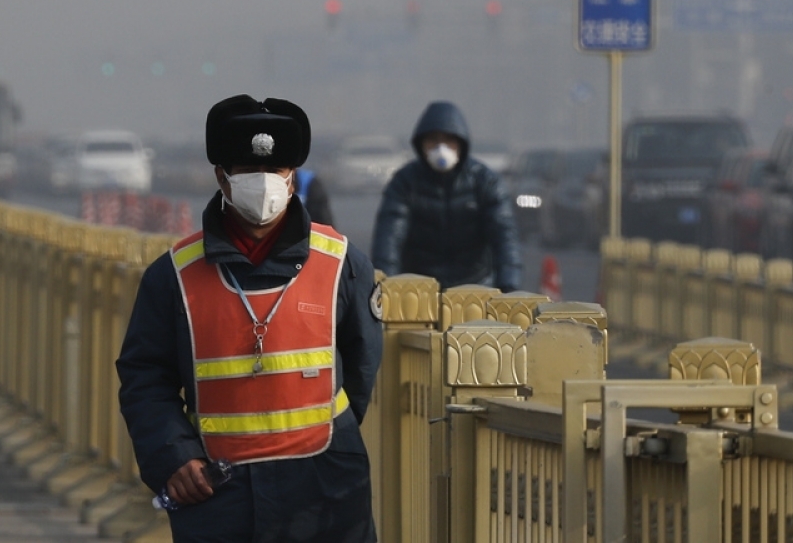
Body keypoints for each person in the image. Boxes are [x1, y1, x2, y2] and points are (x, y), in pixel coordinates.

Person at [117, 94, 384, 543]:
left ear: (293, 176)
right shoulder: (174, 277)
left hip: (325, 489)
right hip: (219, 493)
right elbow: (145, 379)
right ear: (222, 177)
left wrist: (331, 440)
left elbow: (361, 370)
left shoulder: (341, 264)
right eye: (247, 171)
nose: (264, 184)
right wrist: (174, 457)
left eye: (275, 171)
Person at [371, 100, 521, 291]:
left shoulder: (485, 182)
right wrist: (386, 287)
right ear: (421, 144)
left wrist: (508, 287)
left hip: (475, 287)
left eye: (449, 141)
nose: (441, 148)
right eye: (433, 141)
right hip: (420, 291)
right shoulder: (405, 182)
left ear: (461, 143)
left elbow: (505, 237)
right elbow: (389, 238)